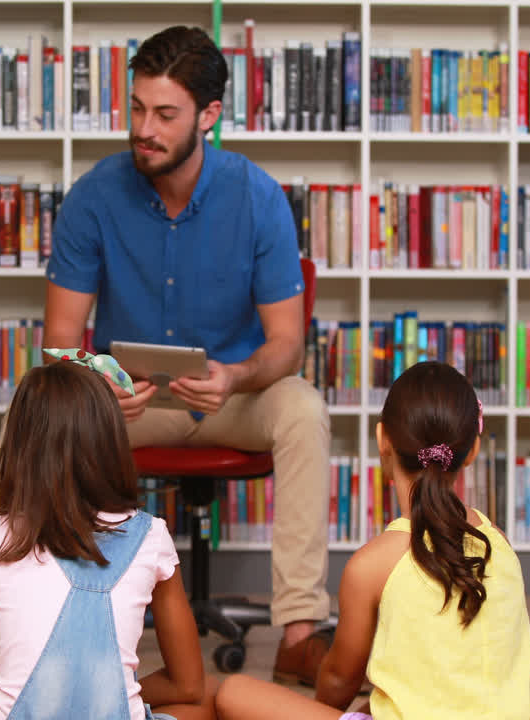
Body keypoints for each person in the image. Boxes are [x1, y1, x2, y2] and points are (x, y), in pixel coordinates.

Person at [20, 23, 332, 685]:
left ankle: (301, 630)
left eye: (165, 115)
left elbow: (287, 347)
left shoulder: (257, 196)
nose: (144, 128)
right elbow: (57, 347)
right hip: (127, 401)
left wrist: (238, 374)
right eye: (137, 108)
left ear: (209, 116)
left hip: (232, 397)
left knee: (303, 409)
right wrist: (99, 380)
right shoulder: (94, 197)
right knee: (30, 412)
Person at [0, 358, 215, 720]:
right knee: (208, 697)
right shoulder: (151, 535)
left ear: (18, 444)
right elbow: (187, 688)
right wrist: (110, 689)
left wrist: (24, 689)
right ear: (112, 440)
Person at [215, 361, 530, 720]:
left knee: (231, 692)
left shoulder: (372, 565)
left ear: (381, 439)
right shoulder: (498, 541)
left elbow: (340, 679)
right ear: (474, 449)